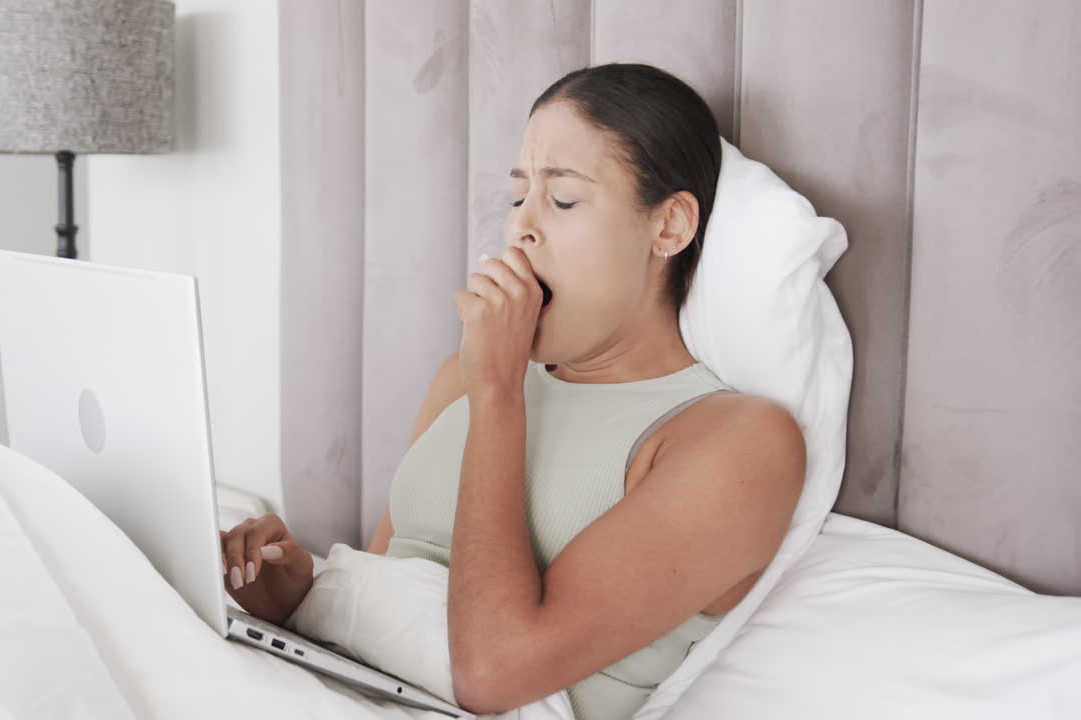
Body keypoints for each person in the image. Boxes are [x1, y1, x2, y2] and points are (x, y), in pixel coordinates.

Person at [220, 63, 806, 720]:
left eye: (562, 201)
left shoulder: (737, 442)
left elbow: (493, 674)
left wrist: (499, 394)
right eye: (518, 196)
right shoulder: (463, 377)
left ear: (669, 226)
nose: (520, 229)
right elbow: (384, 596)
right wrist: (296, 596)